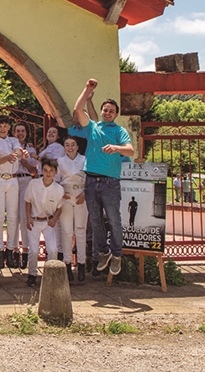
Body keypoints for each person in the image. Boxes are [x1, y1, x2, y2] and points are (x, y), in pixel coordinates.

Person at [71, 79, 134, 277]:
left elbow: (131, 150)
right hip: (91, 181)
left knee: (114, 220)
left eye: (111, 111)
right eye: (105, 110)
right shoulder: (93, 127)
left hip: (110, 182)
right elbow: (78, 109)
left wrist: (116, 147)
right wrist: (87, 89)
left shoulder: (119, 131)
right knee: (96, 221)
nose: (107, 113)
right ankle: (104, 252)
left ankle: (116, 255)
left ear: (115, 115)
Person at [0, 115, 26, 269]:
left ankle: (10, 250)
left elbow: (19, 152)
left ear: (9, 127)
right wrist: (10, 156)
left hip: (13, 179)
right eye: (0, 125)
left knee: (12, 216)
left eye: (5, 125)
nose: (3, 128)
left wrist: (16, 154)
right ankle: (0, 250)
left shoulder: (13, 140)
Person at [23, 157, 64, 286]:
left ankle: (51, 276)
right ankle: (32, 275)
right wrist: (28, 217)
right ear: (42, 170)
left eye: (51, 171)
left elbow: (59, 208)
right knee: (34, 250)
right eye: (45, 170)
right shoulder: (34, 184)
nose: (48, 173)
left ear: (55, 172)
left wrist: (55, 220)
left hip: (48, 221)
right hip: (34, 221)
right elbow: (28, 201)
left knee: (52, 249)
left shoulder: (58, 189)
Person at [57, 136, 87, 281]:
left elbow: (90, 178)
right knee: (67, 231)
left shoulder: (84, 160)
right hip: (66, 195)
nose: (70, 147)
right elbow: (56, 180)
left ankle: (81, 264)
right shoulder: (60, 161)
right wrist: (61, 193)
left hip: (81, 194)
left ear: (77, 147)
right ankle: (67, 263)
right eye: (67, 145)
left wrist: (85, 194)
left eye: (73, 145)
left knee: (80, 230)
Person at [13, 121, 39, 269]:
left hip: (26, 180)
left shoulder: (31, 149)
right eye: (18, 131)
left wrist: (24, 162)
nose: (20, 133)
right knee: (12, 218)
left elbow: (34, 171)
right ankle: (13, 250)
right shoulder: (11, 147)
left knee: (24, 218)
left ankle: (25, 251)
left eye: (22, 131)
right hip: (12, 181)